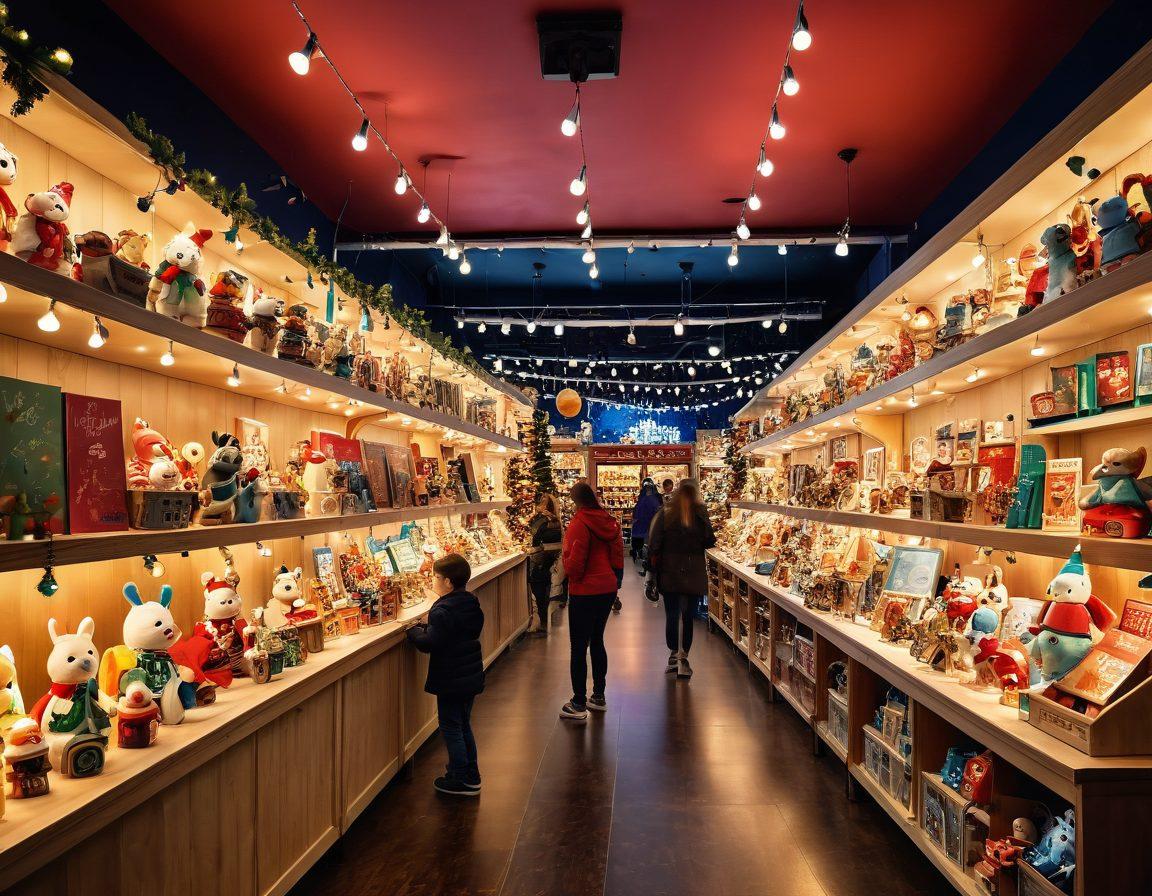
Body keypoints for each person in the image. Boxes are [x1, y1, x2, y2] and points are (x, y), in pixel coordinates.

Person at [406, 553, 485, 796]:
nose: (432, 581)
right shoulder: (470, 603)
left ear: (448, 582)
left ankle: (460, 777)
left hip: (451, 677)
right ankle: (471, 774)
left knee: (450, 726)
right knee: (463, 724)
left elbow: (430, 643)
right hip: (470, 674)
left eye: (435, 577)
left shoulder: (442, 611)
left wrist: (413, 631)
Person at [559, 482, 624, 720]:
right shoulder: (609, 521)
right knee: (597, 640)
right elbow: (617, 554)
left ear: (576, 501)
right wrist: (616, 579)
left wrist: (569, 575)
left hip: (584, 589)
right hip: (606, 587)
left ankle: (578, 702)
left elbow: (575, 561)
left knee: (578, 646)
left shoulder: (579, 523)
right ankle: (599, 695)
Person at [647, 479, 716, 680]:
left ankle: (673, 654)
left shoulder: (666, 513)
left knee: (671, 613)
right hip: (694, 570)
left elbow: (654, 543)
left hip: (669, 569)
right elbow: (710, 540)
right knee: (688, 616)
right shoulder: (700, 514)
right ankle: (684, 656)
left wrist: (652, 570)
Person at [526, 493, 563, 634]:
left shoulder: (541, 520)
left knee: (538, 588)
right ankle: (547, 617)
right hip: (553, 560)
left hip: (541, 560)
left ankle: (542, 620)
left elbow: (534, 539)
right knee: (548, 588)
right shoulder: (556, 521)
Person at [630, 481, 663, 567]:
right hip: (651, 530)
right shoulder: (656, 500)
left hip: (639, 531)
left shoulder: (641, 501)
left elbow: (635, 517)